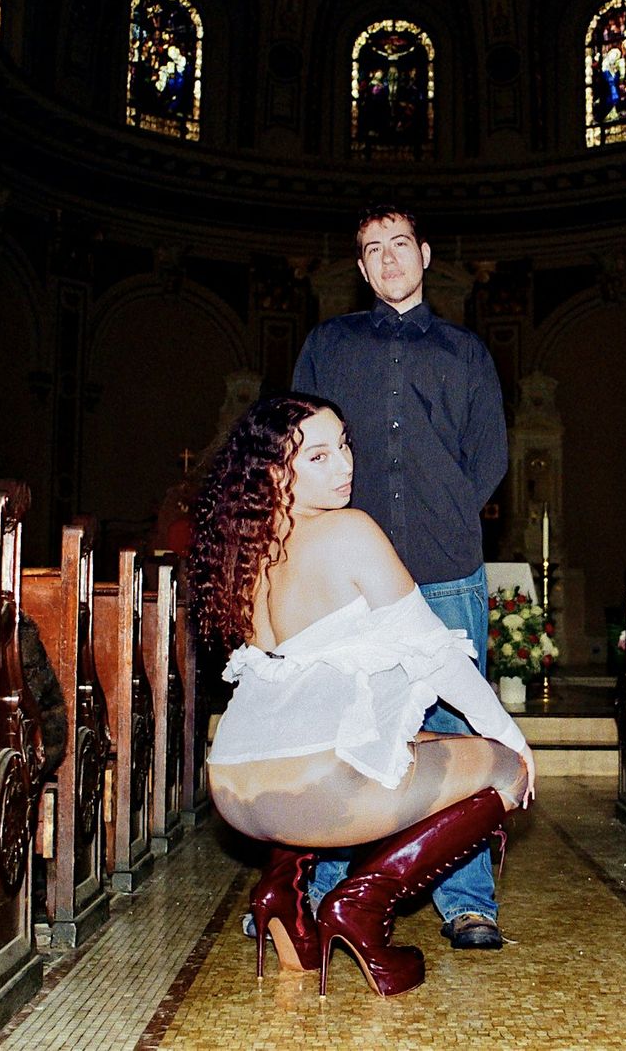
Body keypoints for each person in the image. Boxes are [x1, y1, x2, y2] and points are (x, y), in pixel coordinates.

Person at [189, 394, 534, 997]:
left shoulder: (244, 548)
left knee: (418, 741)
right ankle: (363, 904)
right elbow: (437, 657)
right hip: (317, 793)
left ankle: (283, 891)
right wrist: (514, 741)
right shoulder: (349, 530)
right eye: (318, 456)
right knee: (503, 770)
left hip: (236, 789)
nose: (345, 464)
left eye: (344, 445)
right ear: (275, 472)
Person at [292, 203, 511, 951]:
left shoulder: (465, 352)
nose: (388, 258)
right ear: (361, 268)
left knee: (457, 736)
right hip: (349, 576)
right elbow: (298, 442)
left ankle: (468, 902)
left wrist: (443, 511)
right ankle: (325, 891)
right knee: (346, 729)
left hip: (446, 570)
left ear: (424, 254)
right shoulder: (329, 344)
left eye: (400, 244)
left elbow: (490, 456)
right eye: (373, 249)